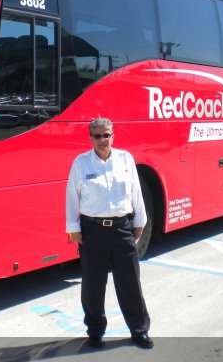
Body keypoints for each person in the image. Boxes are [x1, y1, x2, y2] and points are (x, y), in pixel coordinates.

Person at [66, 117, 153, 349]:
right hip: (92, 231)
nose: (103, 140)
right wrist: (73, 229)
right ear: (90, 138)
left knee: (130, 283)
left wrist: (140, 221)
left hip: (122, 228)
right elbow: (72, 198)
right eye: (97, 136)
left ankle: (139, 330)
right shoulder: (81, 163)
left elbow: (136, 192)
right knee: (93, 285)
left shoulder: (125, 159)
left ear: (113, 136)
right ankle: (95, 332)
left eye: (106, 135)